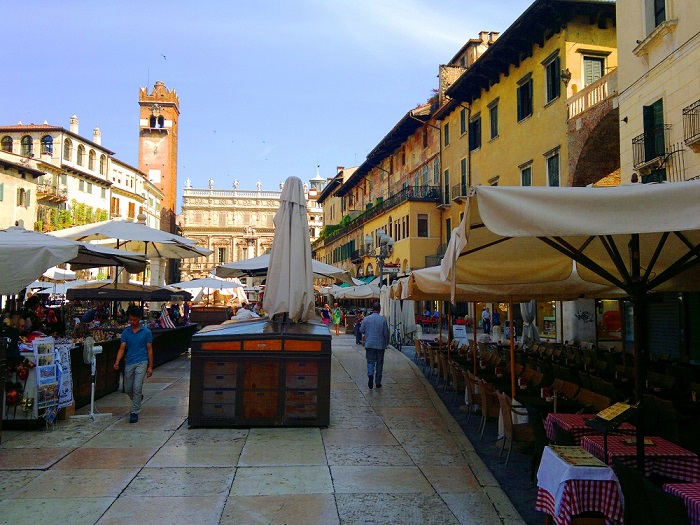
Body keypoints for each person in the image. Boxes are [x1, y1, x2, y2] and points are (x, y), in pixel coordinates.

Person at [113, 307, 153, 424]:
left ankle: (134, 411)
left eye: (134, 320)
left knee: (137, 386)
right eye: (130, 320)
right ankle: (138, 398)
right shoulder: (126, 332)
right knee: (128, 388)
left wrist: (150, 366)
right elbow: (122, 348)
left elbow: (149, 350)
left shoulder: (146, 332)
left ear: (140, 319)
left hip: (142, 361)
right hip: (129, 362)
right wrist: (117, 361)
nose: (132, 322)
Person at [360, 302, 389, 389]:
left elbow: (361, 330)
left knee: (370, 361)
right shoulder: (383, 320)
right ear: (380, 309)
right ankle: (378, 382)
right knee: (379, 363)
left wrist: (367, 332)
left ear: (372, 309)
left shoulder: (366, 319)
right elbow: (386, 333)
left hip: (369, 344)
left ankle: (370, 374)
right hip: (380, 345)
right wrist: (386, 342)